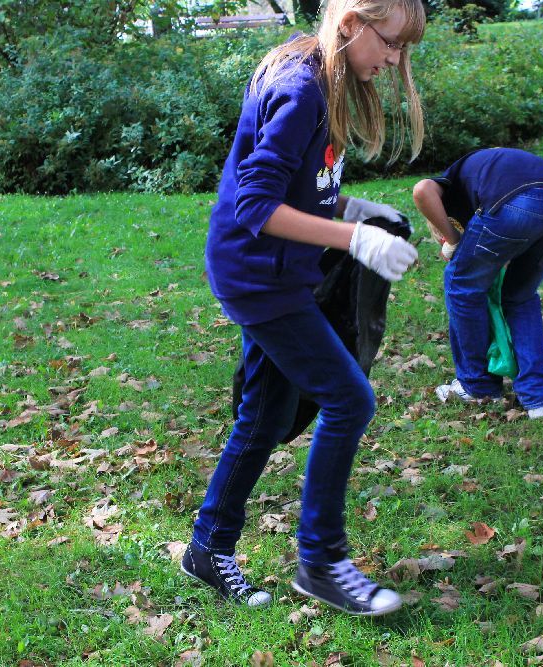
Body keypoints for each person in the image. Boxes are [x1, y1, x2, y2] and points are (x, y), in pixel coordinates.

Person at [181, 0, 426, 616]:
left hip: (278, 271)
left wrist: (353, 210)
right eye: (390, 42)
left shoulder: (326, 77)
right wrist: (356, 239)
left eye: (403, 49)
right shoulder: (302, 89)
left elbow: (303, 186)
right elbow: (257, 206)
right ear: (352, 23)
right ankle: (321, 562)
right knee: (349, 400)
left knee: (265, 417)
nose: (394, 59)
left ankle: (208, 548)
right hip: (260, 278)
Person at [412, 148, 543, 419]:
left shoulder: (450, 183)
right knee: (520, 295)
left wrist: (453, 239)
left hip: (516, 204)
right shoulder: (486, 173)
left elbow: (422, 191)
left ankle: (477, 386)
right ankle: (539, 400)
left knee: (461, 286)